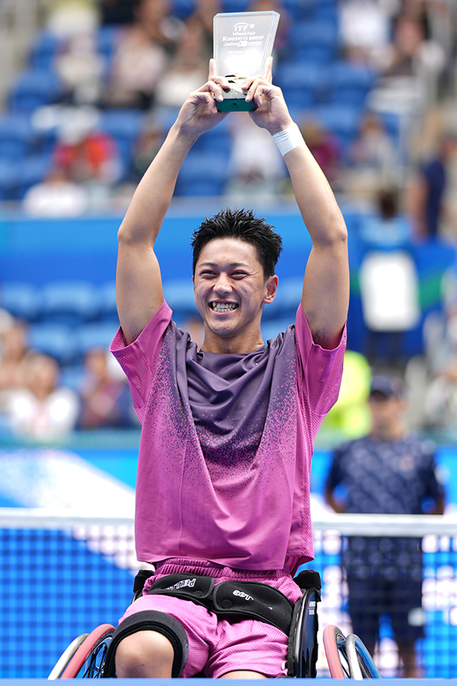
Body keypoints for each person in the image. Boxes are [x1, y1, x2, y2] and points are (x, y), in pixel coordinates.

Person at [107, 60, 349, 679]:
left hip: (265, 598)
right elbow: (134, 240)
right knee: (137, 654)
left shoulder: (300, 368)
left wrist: (283, 130)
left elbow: (333, 241)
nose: (220, 286)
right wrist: (183, 133)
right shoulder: (160, 362)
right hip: (173, 591)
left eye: (237, 274)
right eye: (208, 274)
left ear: (269, 289)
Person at [324, 375, 445, 677]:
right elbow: (329, 490)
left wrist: (410, 531)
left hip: (406, 567)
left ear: (400, 404)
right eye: (375, 400)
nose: (380, 407)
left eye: (386, 400)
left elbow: (438, 501)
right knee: (363, 647)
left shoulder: (421, 450)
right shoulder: (348, 450)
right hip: (361, 565)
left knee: (408, 646)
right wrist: (352, 517)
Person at [405, 130, 457, 243]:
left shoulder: (442, 170)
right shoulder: (433, 167)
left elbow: (439, 203)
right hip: (424, 228)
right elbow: (418, 194)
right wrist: (420, 224)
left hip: (432, 226)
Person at [7, 354, 79, 440]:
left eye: (48, 377)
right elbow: (20, 427)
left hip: (58, 448)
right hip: (25, 449)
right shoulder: (19, 398)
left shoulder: (66, 398)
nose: (43, 383)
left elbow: (60, 427)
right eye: (39, 378)